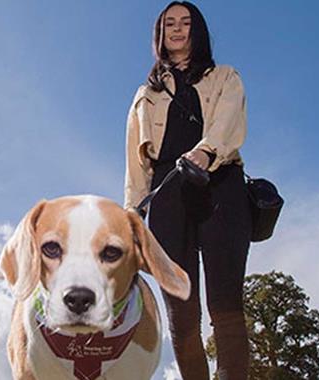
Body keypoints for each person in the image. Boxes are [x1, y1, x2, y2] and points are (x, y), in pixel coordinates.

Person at [123, 2, 251, 379]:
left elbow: (229, 122)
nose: (177, 30)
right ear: (159, 35)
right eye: (169, 24)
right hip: (167, 194)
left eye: (186, 23)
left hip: (219, 184)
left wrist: (205, 150)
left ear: (199, 31)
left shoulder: (225, 77)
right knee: (181, 310)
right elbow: (135, 159)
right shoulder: (145, 94)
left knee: (225, 303)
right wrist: (132, 213)